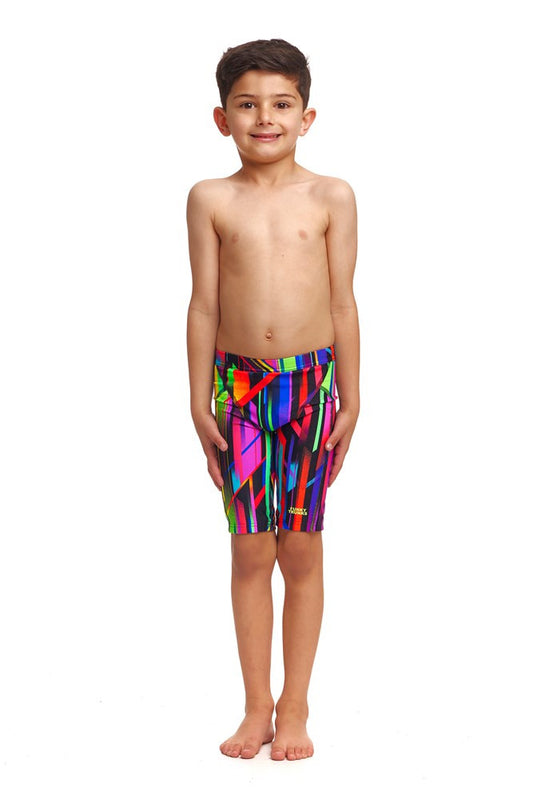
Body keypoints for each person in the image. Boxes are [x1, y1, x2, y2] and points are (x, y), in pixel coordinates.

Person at [186, 38, 360, 762]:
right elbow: (203, 304)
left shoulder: (330, 196)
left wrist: (352, 397)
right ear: (222, 118)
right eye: (247, 104)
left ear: (306, 116)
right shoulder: (210, 198)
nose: (265, 118)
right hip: (238, 390)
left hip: (310, 387)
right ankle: (256, 704)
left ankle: (296, 705)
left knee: (302, 546)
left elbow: (343, 302)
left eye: (281, 104)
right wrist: (199, 402)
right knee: (250, 547)